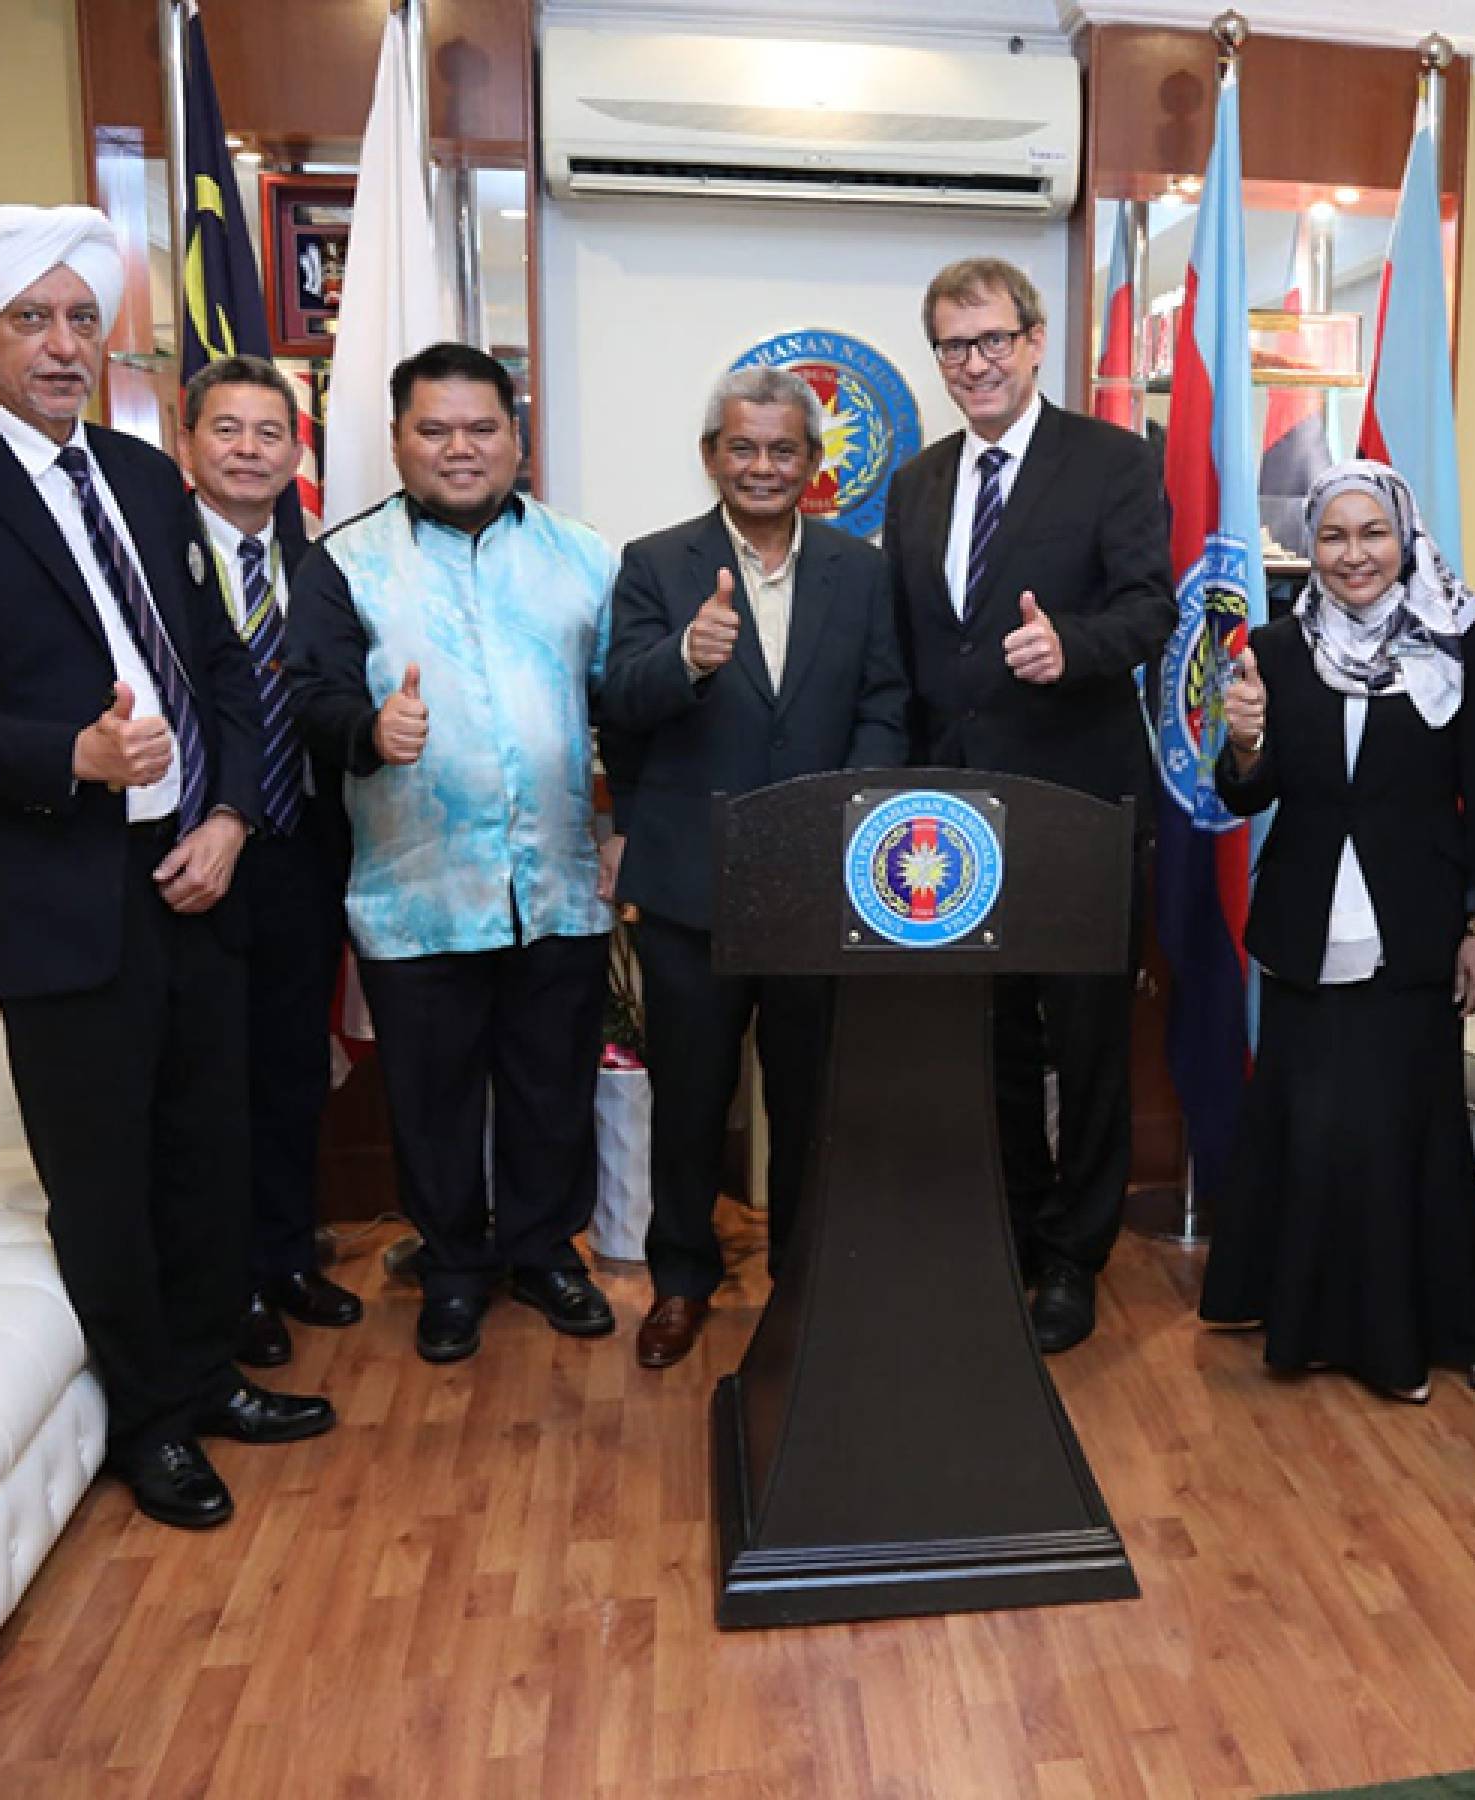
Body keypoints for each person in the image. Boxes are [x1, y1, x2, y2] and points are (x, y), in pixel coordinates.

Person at [0, 205, 334, 1531]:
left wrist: (228, 815)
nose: (63, 345)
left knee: (207, 1153)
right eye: (30, 320)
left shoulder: (141, 473)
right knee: (107, 1178)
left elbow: (226, 669)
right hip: (59, 895)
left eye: (79, 318)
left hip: (197, 874)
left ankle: (207, 1373)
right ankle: (152, 1425)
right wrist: (71, 755)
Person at [289, 342, 622, 1365]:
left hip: (558, 880)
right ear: (396, 442)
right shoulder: (343, 561)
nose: (460, 448)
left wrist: (628, 832)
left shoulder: (584, 556)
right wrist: (368, 732)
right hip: (417, 887)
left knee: (549, 1082)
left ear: (517, 438)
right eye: (434, 430)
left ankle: (543, 1252)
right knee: (431, 1099)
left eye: (482, 428)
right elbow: (309, 694)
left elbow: (626, 703)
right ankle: (454, 1268)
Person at [882, 258, 1175, 1354]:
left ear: (1038, 339)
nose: (977, 363)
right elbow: (916, 649)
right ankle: (1007, 1229)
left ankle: (1073, 1257)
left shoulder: (1111, 463)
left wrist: (1075, 647)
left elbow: (1153, 606)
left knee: (1088, 1041)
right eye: (955, 346)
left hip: (1078, 807)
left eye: (994, 339)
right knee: (989, 1035)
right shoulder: (914, 484)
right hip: (951, 818)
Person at [598, 365, 908, 1368]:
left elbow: (886, 702)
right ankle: (681, 1282)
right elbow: (619, 704)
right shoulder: (655, 564)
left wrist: (841, 812)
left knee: (813, 1094)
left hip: (822, 882)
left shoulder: (861, 571)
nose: (762, 466)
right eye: (743, 447)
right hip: (695, 885)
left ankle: (808, 1279)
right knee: (690, 1097)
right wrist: (686, 657)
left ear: (814, 464)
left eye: (783, 450)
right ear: (710, 456)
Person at [1197, 461, 1475, 1402]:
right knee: (1314, 1129)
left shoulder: (1465, 636)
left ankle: (1396, 1339)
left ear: (1405, 535)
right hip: (1303, 920)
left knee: (1390, 1133)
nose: (1353, 554)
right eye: (1333, 536)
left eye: (1372, 533)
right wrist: (1244, 739)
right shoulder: (1283, 648)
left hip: (1415, 924)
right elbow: (1250, 790)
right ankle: (1305, 1325)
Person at [175, 354, 364, 1370]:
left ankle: (289, 1255)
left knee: (294, 1068)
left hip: (304, 851)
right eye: (228, 431)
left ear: (298, 452)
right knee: (217, 1080)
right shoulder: (158, 564)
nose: (249, 451)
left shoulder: (323, 566)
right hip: (197, 859)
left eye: (269, 434)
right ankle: (232, 1280)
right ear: (187, 442)